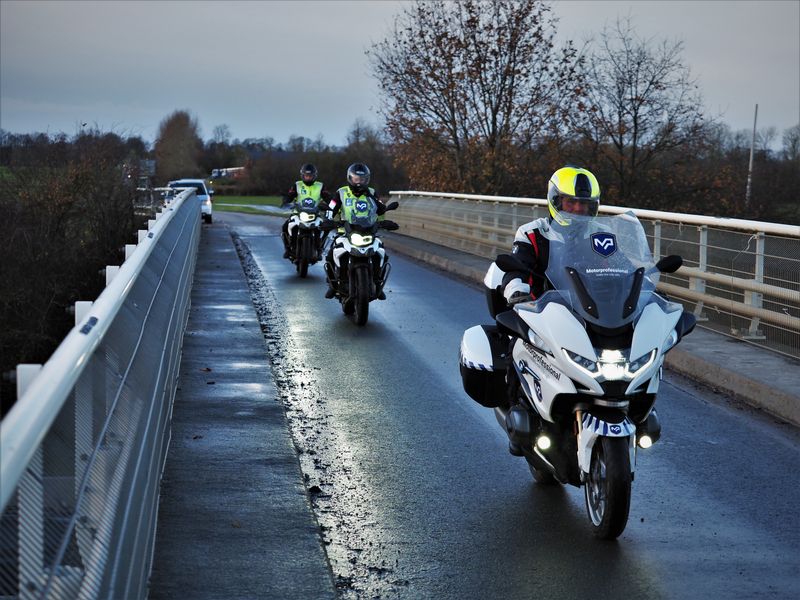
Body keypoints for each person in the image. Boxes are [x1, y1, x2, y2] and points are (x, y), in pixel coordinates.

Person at [501, 165, 601, 303]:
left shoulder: (601, 234)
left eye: (584, 203)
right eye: (571, 202)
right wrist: (516, 290)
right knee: (504, 317)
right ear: (555, 201)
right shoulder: (532, 233)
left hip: (594, 307)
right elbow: (517, 269)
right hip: (541, 309)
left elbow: (620, 266)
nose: (578, 208)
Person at [323, 162, 390, 298]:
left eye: (362, 179)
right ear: (350, 178)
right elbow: (331, 207)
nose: (359, 182)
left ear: (367, 179)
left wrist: (383, 222)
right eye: (356, 179)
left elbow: (381, 208)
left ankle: (377, 283)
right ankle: (333, 285)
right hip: (345, 232)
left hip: (368, 231)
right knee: (330, 254)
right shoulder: (341, 192)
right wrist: (328, 220)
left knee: (381, 252)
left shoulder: (372, 193)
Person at [281, 163, 332, 258]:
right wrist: (286, 201)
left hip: (315, 213)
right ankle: (288, 249)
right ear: (302, 175)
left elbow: (328, 197)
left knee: (324, 227)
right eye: (306, 176)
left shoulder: (320, 186)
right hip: (298, 213)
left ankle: (319, 248)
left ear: (314, 176)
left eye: (310, 176)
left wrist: (331, 206)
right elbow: (290, 195)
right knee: (285, 227)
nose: (308, 178)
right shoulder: (297, 185)